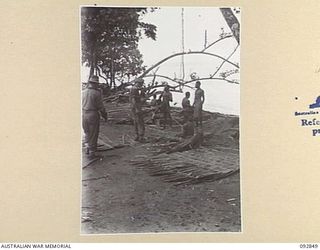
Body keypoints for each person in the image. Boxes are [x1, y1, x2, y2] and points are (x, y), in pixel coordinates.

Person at [82, 75, 108, 159]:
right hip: (92, 114)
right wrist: (105, 115)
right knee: (93, 133)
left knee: (87, 132)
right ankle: (92, 153)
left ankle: (87, 148)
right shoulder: (96, 93)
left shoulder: (83, 92)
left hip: (84, 113)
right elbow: (101, 107)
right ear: (95, 84)